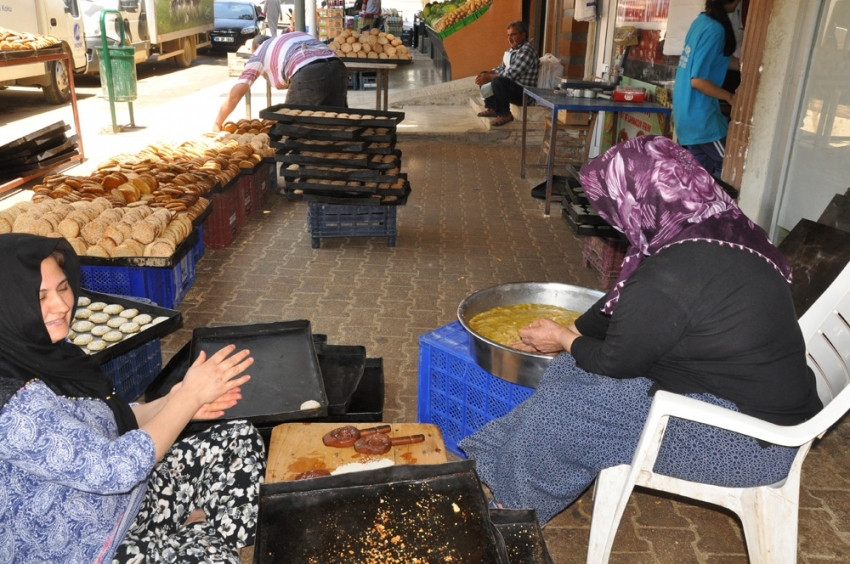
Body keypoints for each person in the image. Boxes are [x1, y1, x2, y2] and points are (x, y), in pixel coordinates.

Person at [458, 135, 823, 525]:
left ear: (636, 200)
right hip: (740, 397)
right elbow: (617, 307)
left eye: (610, 205)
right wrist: (569, 331)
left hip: (749, 444)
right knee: (569, 370)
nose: (611, 217)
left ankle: (512, 515)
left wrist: (563, 339)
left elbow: (616, 361)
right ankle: (488, 460)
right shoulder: (717, 226)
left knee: (574, 413)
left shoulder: (671, 275)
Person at [0, 234, 265, 563]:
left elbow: (109, 422)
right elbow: (112, 469)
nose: (62, 305)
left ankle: (209, 538)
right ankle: (200, 541)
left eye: (63, 287)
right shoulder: (12, 408)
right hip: (91, 547)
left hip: (129, 502)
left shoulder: (48, 356)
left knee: (238, 437)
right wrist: (189, 399)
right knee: (209, 557)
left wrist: (176, 401)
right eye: (40, 297)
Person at [214, 33, 348, 131]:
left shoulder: (259, 52)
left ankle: (302, 167)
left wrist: (218, 123)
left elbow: (235, 94)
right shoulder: (290, 38)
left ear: (257, 46)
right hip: (338, 66)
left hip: (308, 70)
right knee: (335, 125)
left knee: (291, 126)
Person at [673, 0, 741, 178]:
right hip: (700, 117)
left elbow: (719, 61)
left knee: (696, 176)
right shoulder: (715, 29)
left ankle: (698, 204)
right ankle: (717, 204)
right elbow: (698, 81)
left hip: (686, 112)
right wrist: (730, 97)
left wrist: (752, 67)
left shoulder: (701, 22)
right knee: (729, 166)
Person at [475, 21, 539, 127]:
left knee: (497, 80)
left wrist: (490, 76)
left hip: (525, 94)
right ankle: (493, 108)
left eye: (513, 35)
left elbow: (511, 74)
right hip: (513, 87)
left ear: (523, 35)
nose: (510, 39)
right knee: (485, 75)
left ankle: (505, 114)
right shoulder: (512, 50)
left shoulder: (527, 51)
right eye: (508, 35)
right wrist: (487, 74)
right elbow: (501, 68)